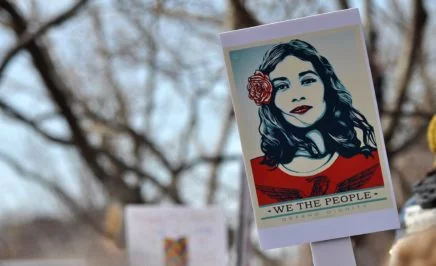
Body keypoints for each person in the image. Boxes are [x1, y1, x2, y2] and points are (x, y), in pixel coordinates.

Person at [246, 39, 384, 206]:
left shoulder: (371, 163)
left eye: (307, 81)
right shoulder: (259, 175)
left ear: (327, 86)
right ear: (269, 98)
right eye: (282, 86)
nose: (297, 95)